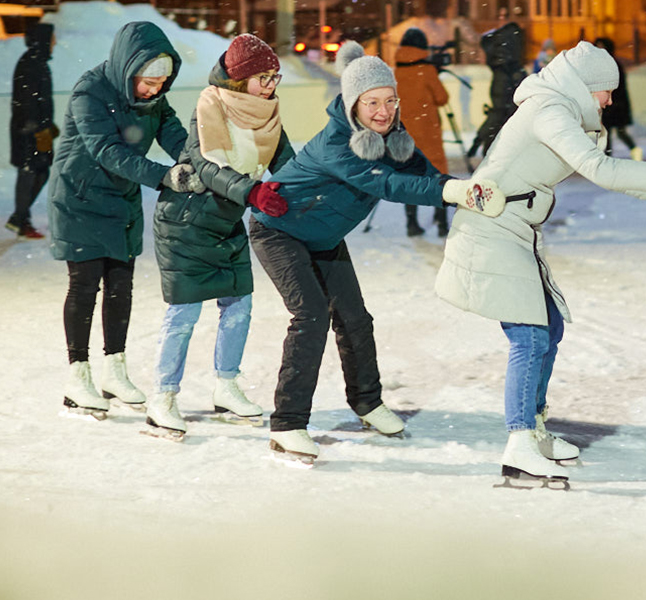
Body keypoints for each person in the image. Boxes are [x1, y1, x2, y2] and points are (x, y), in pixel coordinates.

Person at [434, 41, 646, 487]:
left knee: (549, 327)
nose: (610, 100)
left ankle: (535, 430)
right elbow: (597, 168)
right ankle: (520, 441)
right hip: (491, 231)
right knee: (529, 335)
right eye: (606, 91)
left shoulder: (557, 106)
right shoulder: (549, 110)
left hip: (513, 230)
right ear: (585, 87)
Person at [249, 41, 504, 467]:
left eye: (390, 101)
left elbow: (425, 176)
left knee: (355, 319)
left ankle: (366, 403)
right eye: (372, 103)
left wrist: (465, 189)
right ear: (353, 105)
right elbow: (388, 184)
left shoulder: (394, 140)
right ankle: (288, 424)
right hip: (279, 232)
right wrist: (451, 191)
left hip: (324, 237)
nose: (383, 112)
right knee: (310, 315)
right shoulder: (338, 144)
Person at [145, 34, 295, 441]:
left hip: (225, 222)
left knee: (239, 307)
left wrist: (318, 186)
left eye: (274, 77)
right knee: (184, 315)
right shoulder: (210, 108)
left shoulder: (267, 114)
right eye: (263, 77)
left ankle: (226, 385)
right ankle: (163, 396)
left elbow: (290, 164)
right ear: (241, 79)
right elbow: (207, 167)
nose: (270, 86)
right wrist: (253, 192)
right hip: (185, 222)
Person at [48, 21, 194, 420]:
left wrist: (198, 162)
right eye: (148, 82)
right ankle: (78, 377)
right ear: (129, 70)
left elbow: (176, 134)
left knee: (120, 286)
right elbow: (107, 150)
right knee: (84, 285)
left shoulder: (154, 99)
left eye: (163, 82)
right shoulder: (90, 92)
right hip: (79, 199)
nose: (155, 90)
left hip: (121, 200)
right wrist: (162, 176)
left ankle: (115, 370)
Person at [395, 27, 451, 237]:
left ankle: (412, 223)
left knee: (410, 176)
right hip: (428, 132)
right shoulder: (426, 70)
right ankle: (442, 223)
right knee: (437, 174)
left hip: (405, 133)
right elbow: (442, 98)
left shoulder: (396, 72)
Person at [6, 22, 57, 239]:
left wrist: (46, 126)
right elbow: (27, 101)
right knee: (29, 172)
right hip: (30, 131)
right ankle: (19, 219)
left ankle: (20, 218)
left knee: (39, 171)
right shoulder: (31, 63)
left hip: (36, 129)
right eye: (52, 38)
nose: (55, 42)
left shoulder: (37, 62)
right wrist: (36, 129)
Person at [467, 22, 527, 159]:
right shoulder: (513, 69)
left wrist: (479, 140)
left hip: (502, 138)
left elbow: (497, 112)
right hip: (510, 138)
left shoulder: (503, 72)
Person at [593, 37, 641, 161]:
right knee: (606, 132)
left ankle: (635, 150)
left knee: (620, 132)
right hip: (607, 104)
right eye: (597, 47)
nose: (600, 49)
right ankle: (607, 157)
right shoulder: (598, 65)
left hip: (616, 104)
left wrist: (614, 101)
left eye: (602, 47)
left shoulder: (613, 64)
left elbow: (618, 86)